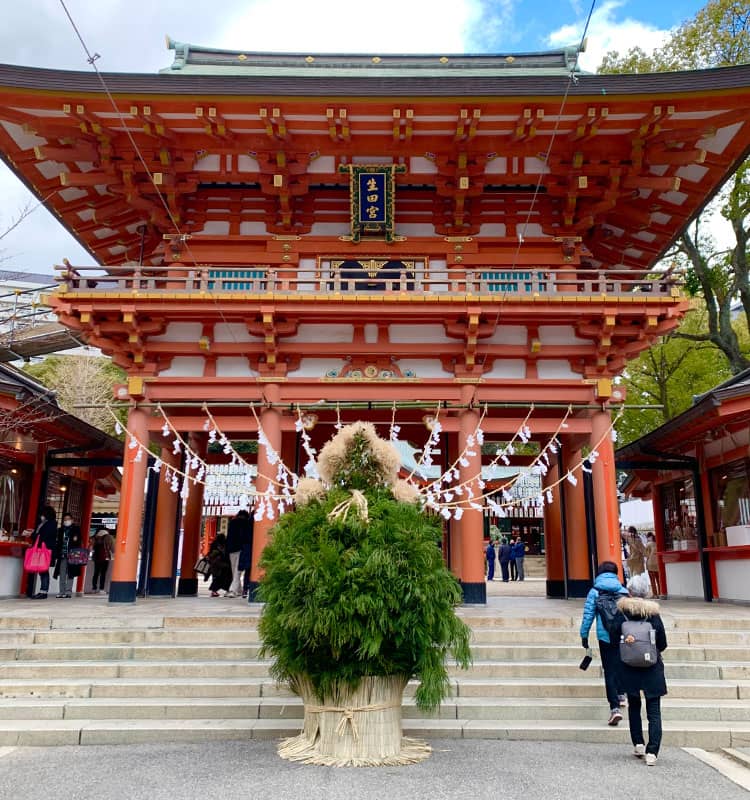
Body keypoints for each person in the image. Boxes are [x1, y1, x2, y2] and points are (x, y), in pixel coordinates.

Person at [613, 572, 668, 766]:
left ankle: (638, 743)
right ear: (646, 593)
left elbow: (613, 637)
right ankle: (652, 752)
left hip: (628, 665)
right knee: (654, 710)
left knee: (634, 706)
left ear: (629, 591)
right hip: (651, 666)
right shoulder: (653, 614)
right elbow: (662, 642)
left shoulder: (622, 613)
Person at [580, 560, 629, 726]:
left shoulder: (595, 591)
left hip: (605, 635)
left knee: (609, 670)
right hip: (623, 635)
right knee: (622, 664)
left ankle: (614, 708)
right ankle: (622, 694)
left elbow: (588, 615)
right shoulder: (623, 590)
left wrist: (584, 636)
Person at [30, 505, 57, 599]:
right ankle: (43, 591)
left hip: (45, 550)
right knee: (42, 571)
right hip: (42, 549)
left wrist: (35, 534)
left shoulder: (50, 524)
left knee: (43, 570)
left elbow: (44, 536)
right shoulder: (44, 523)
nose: (41, 516)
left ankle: (43, 591)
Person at [53, 512, 82, 598]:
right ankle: (61, 592)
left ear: (72, 520)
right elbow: (58, 543)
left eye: (68, 519)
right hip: (62, 555)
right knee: (62, 574)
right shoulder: (61, 530)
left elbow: (78, 541)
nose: (66, 521)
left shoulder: (76, 529)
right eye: (65, 520)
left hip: (72, 555)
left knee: (70, 573)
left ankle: (68, 592)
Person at [226, 509, 252, 597]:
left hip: (231, 549)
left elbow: (229, 537)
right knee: (237, 571)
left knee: (234, 571)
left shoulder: (232, 523)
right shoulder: (247, 523)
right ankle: (234, 590)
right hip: (242, 549)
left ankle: (236, 589)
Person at [90, 527, 114, 594]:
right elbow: (112, 547)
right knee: (103, 574)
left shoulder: (95, 537)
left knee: (96, 573)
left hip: (96, 558)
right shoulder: (108, 537)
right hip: (105, 558)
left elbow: (91, 546)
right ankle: (101, 589)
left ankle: (94, 588)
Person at [645, 532, 661, 598]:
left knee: (652, 580)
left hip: (650, 564)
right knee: (658, 579)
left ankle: (655, 594)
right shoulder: (658, 544)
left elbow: (646, 554)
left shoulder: (648, 544)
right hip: (657, 564)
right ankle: (660, 593)